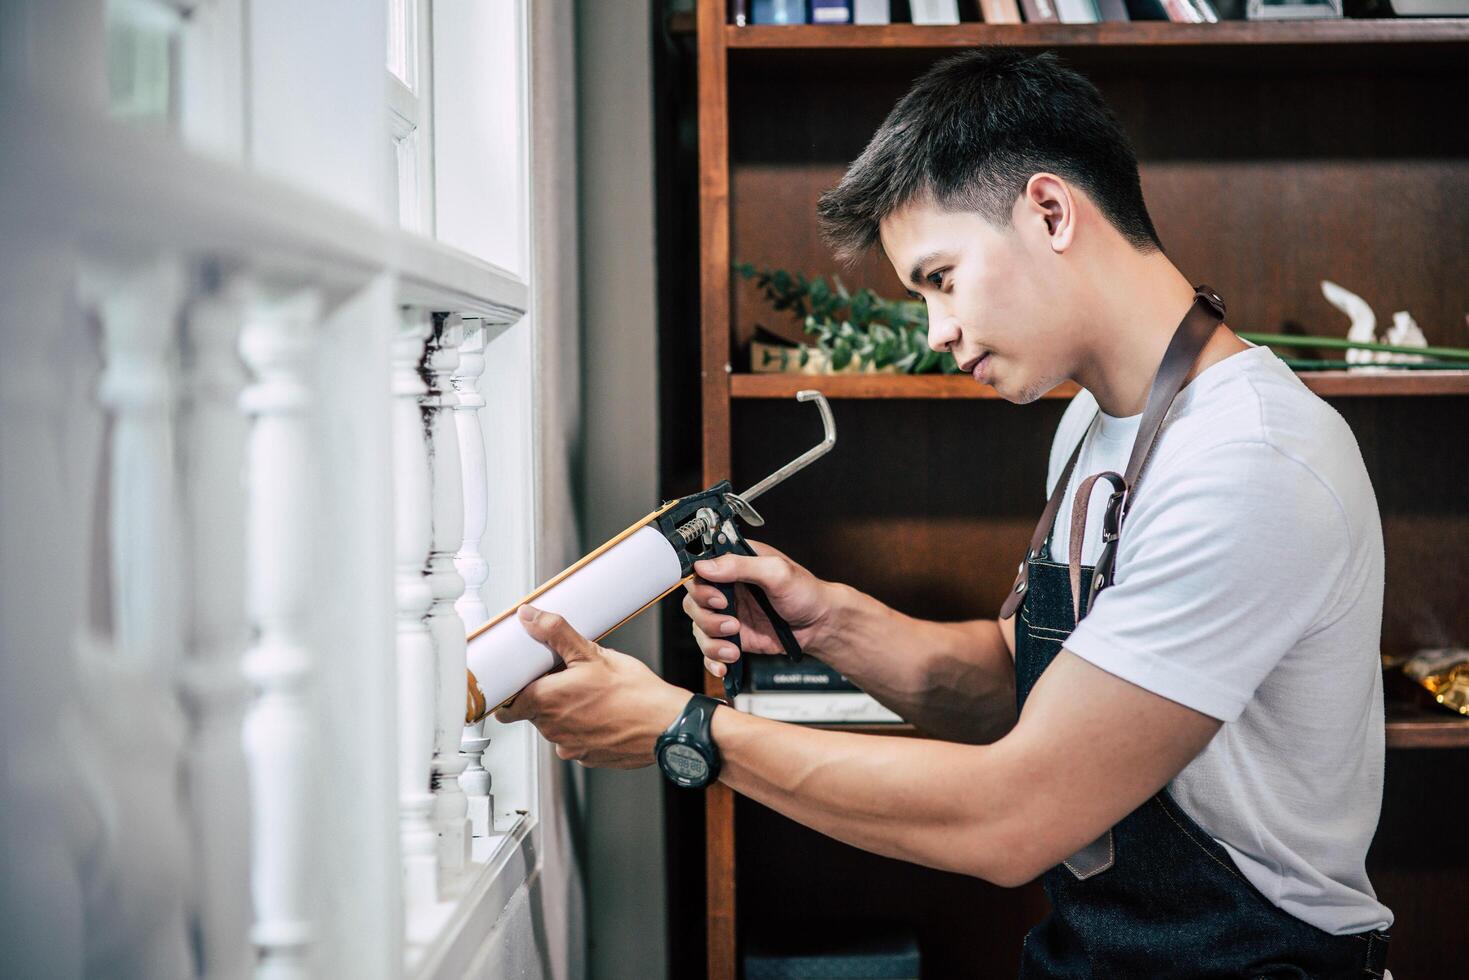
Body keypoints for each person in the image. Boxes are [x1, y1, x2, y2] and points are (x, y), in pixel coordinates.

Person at [495, 49, 1393, 977]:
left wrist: (684, 731)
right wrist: (829, 623)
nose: (936, 331)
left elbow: (1019, 814)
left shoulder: (1247, 458)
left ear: (1049, 212)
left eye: (941, 278)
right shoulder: (1098, 420)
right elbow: (1025, 687)